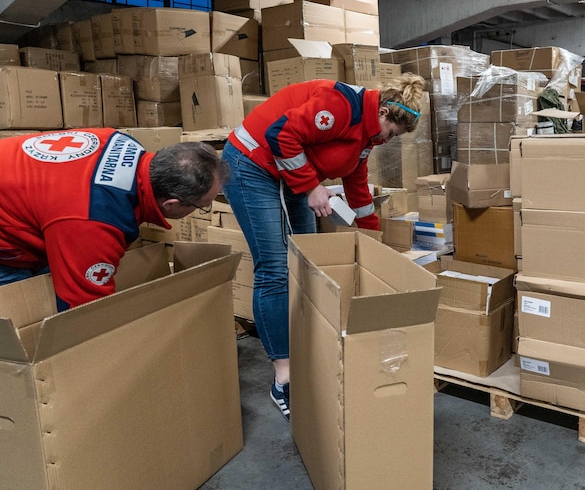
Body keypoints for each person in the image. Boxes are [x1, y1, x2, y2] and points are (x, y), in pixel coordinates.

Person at [221, 73, 426, 421]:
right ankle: (283, 377)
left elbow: (357, 184)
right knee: (274, 267)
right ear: (386, 115)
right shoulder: (341, 107)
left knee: (309, 261)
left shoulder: (367, 136)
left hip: (288, 171)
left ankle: (307, 347)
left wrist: (373, 240)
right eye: (392, 134)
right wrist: (312, 187)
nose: (389, 142)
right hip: (251, 163)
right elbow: (280, 134)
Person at [0, 128, 229, 310]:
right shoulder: (95, 220)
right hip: (11, 232)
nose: (202, 209)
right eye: (202, 206)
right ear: (172, 204)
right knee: (20, 322)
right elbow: (84, 310)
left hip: (28, 200)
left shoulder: (120, 140)